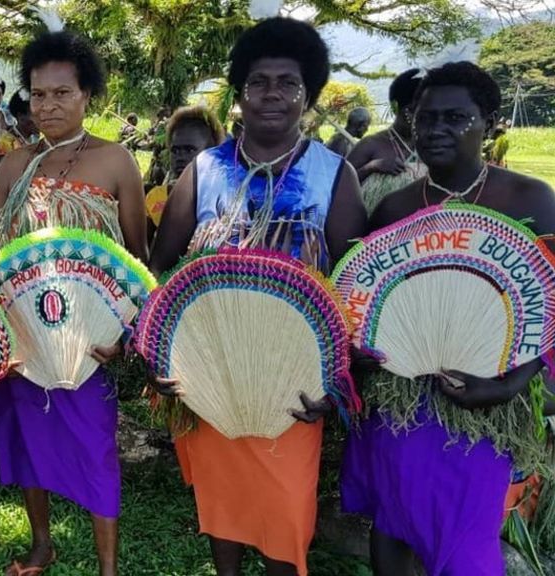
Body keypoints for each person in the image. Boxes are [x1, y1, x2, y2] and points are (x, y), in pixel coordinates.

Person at [149, 17, 366, 576]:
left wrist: (338, 380)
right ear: (240, 94)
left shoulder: (332, 175)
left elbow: (355, 287)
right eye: (258, 81)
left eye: (288, 83)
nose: (272, 94)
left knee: (285, 513)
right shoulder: (203, 170)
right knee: (223, 508)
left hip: (294, 379)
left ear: (308, 96)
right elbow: (161, 268)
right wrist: (162, 355)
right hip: (213, 371)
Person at [341, 61, 555, 576]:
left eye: (456, 118)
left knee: (466, 536)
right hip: (401, 403)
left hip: (484, 404)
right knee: (392, 519)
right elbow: (365, 306)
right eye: (425, 118)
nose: (436, 130)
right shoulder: (393, 210)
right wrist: (365, 355)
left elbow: (548, 307)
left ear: (489, 122)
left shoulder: (532, 200)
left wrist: (510, 385)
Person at [0, 29, 147, 576]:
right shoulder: (13, 164)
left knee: (95, 448)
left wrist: (122, 333)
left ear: (87, 96)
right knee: (27, 445)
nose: (47, 105)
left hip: (87, 342)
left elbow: (136, 261)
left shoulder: (116, 161)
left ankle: (107, 567)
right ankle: (42, 544)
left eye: (62, 93)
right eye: (38, 93)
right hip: (24, 340)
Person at [346, 69, 426, 214]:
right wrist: (371, 167)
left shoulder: (431, 146)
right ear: (396, 107)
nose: (420, 117)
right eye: (412, 110)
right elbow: (338, 186)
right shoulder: (371, 144)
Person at [145, 105, 225, 233]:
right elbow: (145, 250)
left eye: (189, 150)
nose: (180, 157)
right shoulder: (156, 198)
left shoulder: (227, 200)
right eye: (175, 150)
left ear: (213, 153)